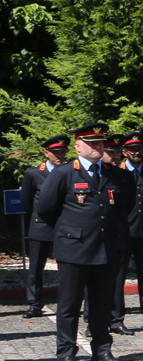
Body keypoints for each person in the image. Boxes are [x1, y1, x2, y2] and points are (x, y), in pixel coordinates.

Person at [35, 123, 135, 361]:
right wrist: (69, 231)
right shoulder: (64, 173)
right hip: (74, 248)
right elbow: (46, 209)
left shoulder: (116, 174)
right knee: (69, 305)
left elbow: (125, 207)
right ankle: (66, 352)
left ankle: (102, 348)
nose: (97, 147)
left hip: (105, 248)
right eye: (92, 144)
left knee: (102, 304)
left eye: (100, 143)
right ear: (78, 147)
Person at [20, 134, 68, 319]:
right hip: (41, 225)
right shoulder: (34, 173)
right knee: (36, 267)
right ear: (46, 153)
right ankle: (34, 303)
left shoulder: (68, 171)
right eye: (55, 152)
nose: (60, 156)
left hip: (64, 226)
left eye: (62, 152)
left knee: (66, 266)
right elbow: (26, 201)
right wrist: (39, 216)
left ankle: (65, 302)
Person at [115, 133, 143, 327]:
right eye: (132, 150)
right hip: (125, 229)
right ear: (124, 152)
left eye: (139, 149)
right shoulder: (118, 172)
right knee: (120, 271)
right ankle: (118, 308)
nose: (136, 153)